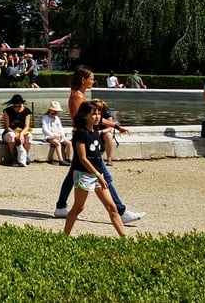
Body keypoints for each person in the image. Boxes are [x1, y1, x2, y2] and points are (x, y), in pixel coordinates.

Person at [53, 66, 145, 224]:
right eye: (91, 78)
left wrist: (113, 126)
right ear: (83, 80)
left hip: (84, 137)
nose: (93, 81)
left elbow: (93, 118)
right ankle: (121, 211)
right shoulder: (77, 97)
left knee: (72, 174)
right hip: (85, 139)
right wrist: (110, 127)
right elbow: (83, 119)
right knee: (105, 176)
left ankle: (61, 207)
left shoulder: (79, 95)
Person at [63, 102, 125, 237]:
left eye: (98, 114)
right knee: (78, 207)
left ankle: (124, 237)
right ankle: (64, 236)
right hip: (84, 174)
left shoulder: (95, 132)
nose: (97, 117)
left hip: (97, 175)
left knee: (112, 207)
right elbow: (82, 158)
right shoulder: (80, 133)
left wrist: (117, 127)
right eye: (93, 114)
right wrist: (98, 174)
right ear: (85, 116)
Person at [1, 94, 32, 166]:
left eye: (19, 106)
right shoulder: (7, 111)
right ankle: (13, 158)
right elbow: (7, 127)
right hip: (9, 132)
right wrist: (15, 134)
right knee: (11, 136)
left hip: (22, 132)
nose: (17, 108)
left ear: (22, 104)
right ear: (12, 105)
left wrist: (21, 134)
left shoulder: (27, 111)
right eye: (15, 106)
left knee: (29, 136)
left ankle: (25, 156)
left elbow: (27, 126)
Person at [40, 101, 73, 166]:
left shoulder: (57, 118)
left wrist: (62, 135)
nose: (55, 113)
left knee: (69, 143)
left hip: (58, 136)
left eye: (56, 111)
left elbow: (60, 128)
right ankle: (61, 160)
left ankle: (69, 159)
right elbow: (44, 129)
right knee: (58, 144)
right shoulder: (45, 118)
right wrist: (53, 135)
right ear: (50, 110)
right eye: (54, 111)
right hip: (49, 136)